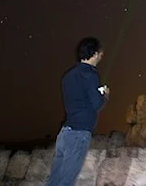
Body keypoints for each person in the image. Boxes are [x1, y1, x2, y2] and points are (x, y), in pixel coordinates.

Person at [46, 37, 109, 186]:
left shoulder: (68, 76)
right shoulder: (90, 74)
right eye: (100, 54)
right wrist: (105, 95)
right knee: (66, 182)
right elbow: (97, 104)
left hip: (64, 133)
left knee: (54, 180)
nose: (101, 57)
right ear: (94, 53)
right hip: (78, 134)